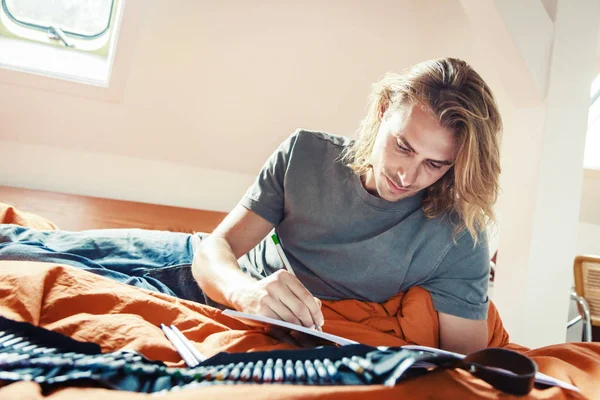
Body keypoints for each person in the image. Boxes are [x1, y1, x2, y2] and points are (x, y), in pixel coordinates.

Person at [191, 57, 502, 355]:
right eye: (403, 146)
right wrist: (244, 293)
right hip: (225, 276)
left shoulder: (460, 237)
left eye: (434, 164)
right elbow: (213, 248)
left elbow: (464, 370)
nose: (407, 176)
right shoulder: (305, 153)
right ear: (383, 110)